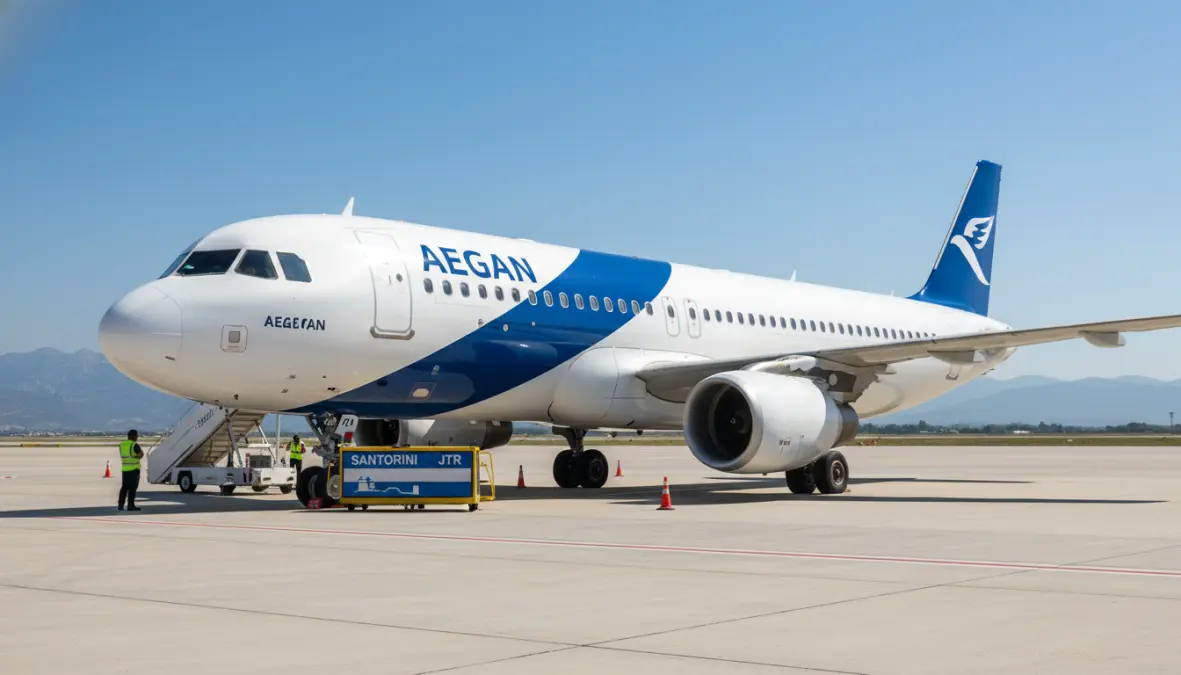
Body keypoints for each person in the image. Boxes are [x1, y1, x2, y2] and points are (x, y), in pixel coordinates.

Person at [118, 429, 145, 511]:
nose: (137, 437)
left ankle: (120, 505)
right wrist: (137, 456)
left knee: (124, 488)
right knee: (132, 488)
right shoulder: (134, 445)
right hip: (133, 469)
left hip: (125, 469)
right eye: (136, 435)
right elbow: (140, 455)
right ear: (133, 436)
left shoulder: (122, 444)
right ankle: (130, 505)